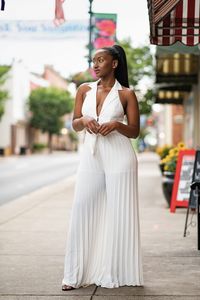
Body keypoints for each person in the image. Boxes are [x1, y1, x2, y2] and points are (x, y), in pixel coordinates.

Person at [62, 44, 144, 290]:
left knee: (119, 213)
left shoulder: (127, 94)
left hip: (120, 156)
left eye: (100, 60)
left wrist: (117, 125)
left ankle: (118, 271)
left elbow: (135, 131)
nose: (95, 65)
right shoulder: (84, 90)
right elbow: (74, 124)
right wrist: (84, 120)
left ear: (114, 63)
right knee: (81, 208)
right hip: (91, 155)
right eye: (93, 61)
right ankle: (73, 275)